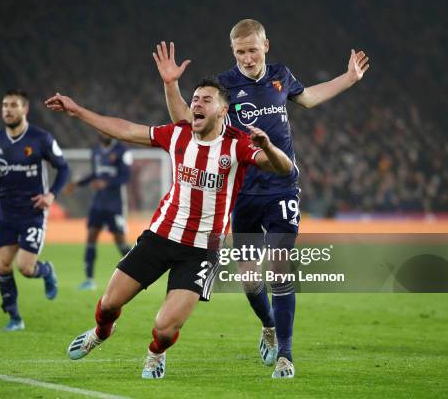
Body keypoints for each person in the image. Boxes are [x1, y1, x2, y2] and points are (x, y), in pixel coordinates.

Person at [152, 19, 370, 378]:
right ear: (233, 52)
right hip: (242, 193)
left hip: (282, 187)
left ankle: (285, 355)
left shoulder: (281, 75)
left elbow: (310, 98)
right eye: (241, 52)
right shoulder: (223, 86)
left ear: (266, 46)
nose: (248, 57)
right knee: (251, 280)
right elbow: (189, 122)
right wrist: (171, 85)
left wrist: (349, 78)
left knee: (280, 267)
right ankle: (268, 325)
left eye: (253, 49)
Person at [44, 78, 293, 379]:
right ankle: (100, 332)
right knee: (109, 303)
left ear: (223, 110)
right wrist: (77, 110)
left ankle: (156, 353)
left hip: (201, 251)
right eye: (195, 99)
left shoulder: (237, 144)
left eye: (206, 99)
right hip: (160, 236)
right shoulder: (177, 135)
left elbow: (284, 168)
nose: (197, 104)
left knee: (164, 328)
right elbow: (125, 129)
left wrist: (268, 145)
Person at [0, 89, 70, 331]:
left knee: (25, 268)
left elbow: (64, 168)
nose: (7, 109)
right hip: (6, 213)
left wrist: (51, 195)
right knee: (3, 265)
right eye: (4, 105)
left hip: (33, 212)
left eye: (13, 105)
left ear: (25, 109)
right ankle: (14, 317)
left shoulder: (41, 139)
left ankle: (46, 271)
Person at [64, 133, 133, 290]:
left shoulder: (123, 151)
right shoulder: (95, 151)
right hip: (98, 204)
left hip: (115, 204)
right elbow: (95, 174)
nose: (102, 133)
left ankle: (141, 273)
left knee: (120, 242)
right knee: (91, 236)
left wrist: (106, 183)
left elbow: (126, 177)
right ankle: (89, 279)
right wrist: (77, 184)